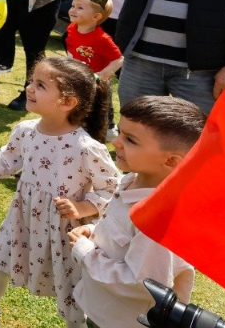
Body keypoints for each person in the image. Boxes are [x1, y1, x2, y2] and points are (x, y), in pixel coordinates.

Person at [0, 57, 119, 328]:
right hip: (22, 215)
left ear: (67, 102)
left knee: (69, 282)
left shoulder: (86, 147)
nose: (29, 88)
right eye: (31, 81)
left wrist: (82, 209)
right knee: (0, 259)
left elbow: (112, 187)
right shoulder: (26, 131)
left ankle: (76, 325)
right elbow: (8, 161)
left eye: (40, 85)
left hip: (64, 229)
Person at [68, 96, 204, 328]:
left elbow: (143, 284)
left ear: (170, 160)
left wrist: (86, 253)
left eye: (130, 139)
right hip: (104, 308)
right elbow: (121, 232)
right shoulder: (133, 181)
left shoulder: (158, 219)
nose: (116, 142)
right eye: (120, 132)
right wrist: (94, 231)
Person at [65, 0, 125, 87]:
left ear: (96, 16)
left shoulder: (101, 39)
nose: (73, 10)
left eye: (80, 8)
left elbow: (119, 60)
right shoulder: (72, 28)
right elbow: (71, 48)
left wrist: (101, 75)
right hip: (76, 77)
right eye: (73, 6)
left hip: (96, 85)